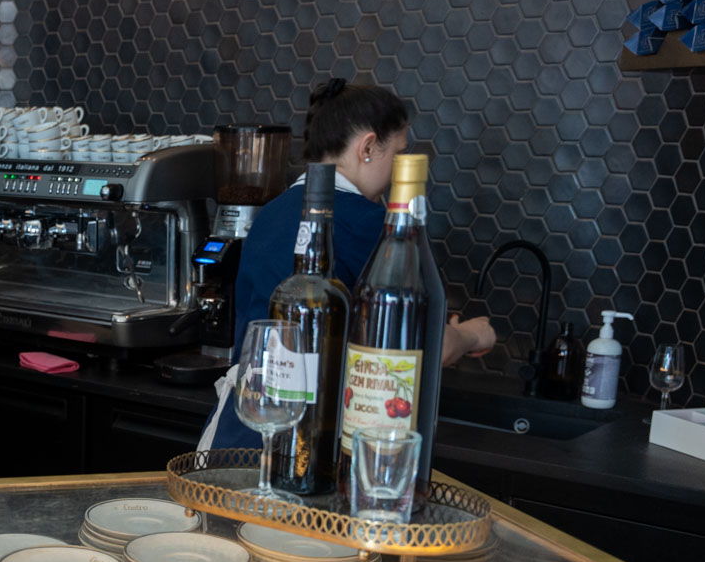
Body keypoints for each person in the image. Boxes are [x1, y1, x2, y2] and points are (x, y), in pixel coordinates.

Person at [204, 79, 496, 450]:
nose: (397, 170)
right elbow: (426, 347)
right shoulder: (371, 224)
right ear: (368, 147)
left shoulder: (272, 212)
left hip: (237, 430)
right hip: (309, 442)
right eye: (398, 153)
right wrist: (474, 334)